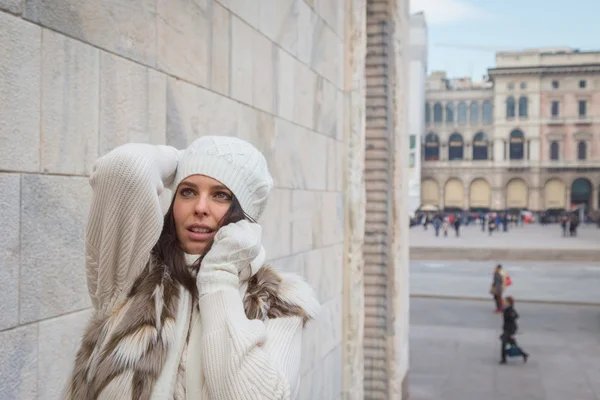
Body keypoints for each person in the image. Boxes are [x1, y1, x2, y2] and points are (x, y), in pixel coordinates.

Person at [65, 137, 320, 399]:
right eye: (187, 191)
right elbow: (123, 169)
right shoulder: (134, 272)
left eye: (220, 195)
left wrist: (218, 276)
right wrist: (181, 159)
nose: (200, 208)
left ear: (246, 217)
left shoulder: (279, 303)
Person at [499, 296, 529, 364]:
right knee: (512, 343)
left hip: (510, 329)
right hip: (507, 328)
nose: (503, 302)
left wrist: (511, 318)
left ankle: (504, 359)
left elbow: (515, 316)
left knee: (504, 343)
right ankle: (523, 354)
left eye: (505, 301)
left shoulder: (510, 309)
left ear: (508, 302)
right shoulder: (506, 308)